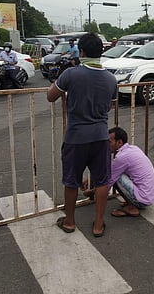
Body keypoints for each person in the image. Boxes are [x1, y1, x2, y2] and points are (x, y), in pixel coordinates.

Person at [47, 33, 117, 237]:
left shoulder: (71, 74)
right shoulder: (111, 79)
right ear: (101, 52)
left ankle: (69, 222)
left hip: (76, 137)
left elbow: (51, 96)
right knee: (102, 180)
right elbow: (110, 107)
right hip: (101, 136)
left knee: (71, 180)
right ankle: (98, 225)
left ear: (82, 52)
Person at [102, 126, 154, 217]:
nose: (107, 145)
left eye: (109, 142)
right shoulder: (133, 148)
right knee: (118, 173)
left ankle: (132, 207)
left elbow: (109, 180)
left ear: (119, 142)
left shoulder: (121, 157)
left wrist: (98, 196)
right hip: (150, 196)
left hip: (143, 200)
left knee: (117, 177)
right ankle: (131, 202)